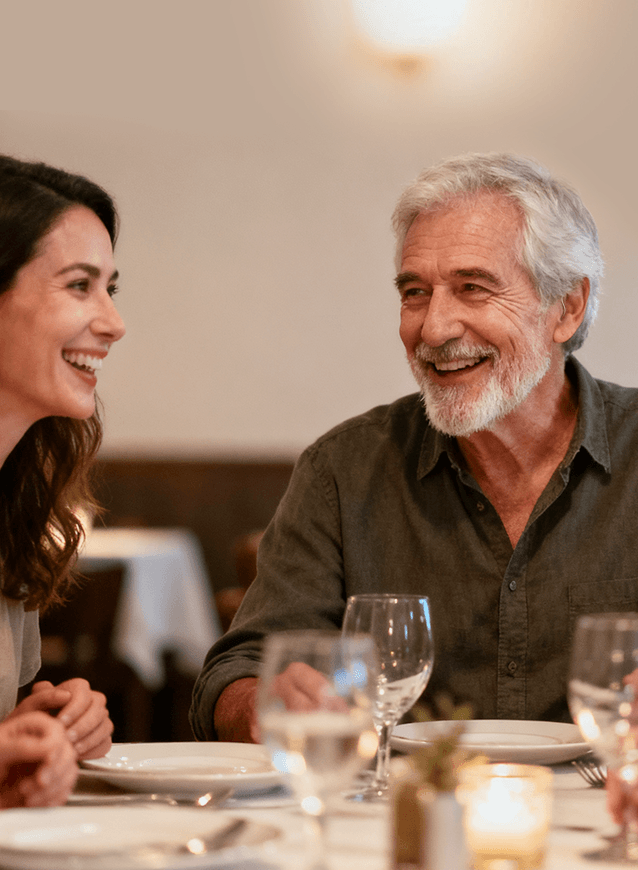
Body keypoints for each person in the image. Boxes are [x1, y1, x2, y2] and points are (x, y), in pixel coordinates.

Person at [190, 151, 638, 746]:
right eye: (415, 293)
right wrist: (262, 701)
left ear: (567, 308)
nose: (433, 328)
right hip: (401, 801)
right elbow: (237, 674)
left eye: (473, 288)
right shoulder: (343, 470)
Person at [0, 154, 126, 805]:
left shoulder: (15, 502)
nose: (113, 323)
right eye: (80, 286)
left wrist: (40, 724)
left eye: (110, 289)